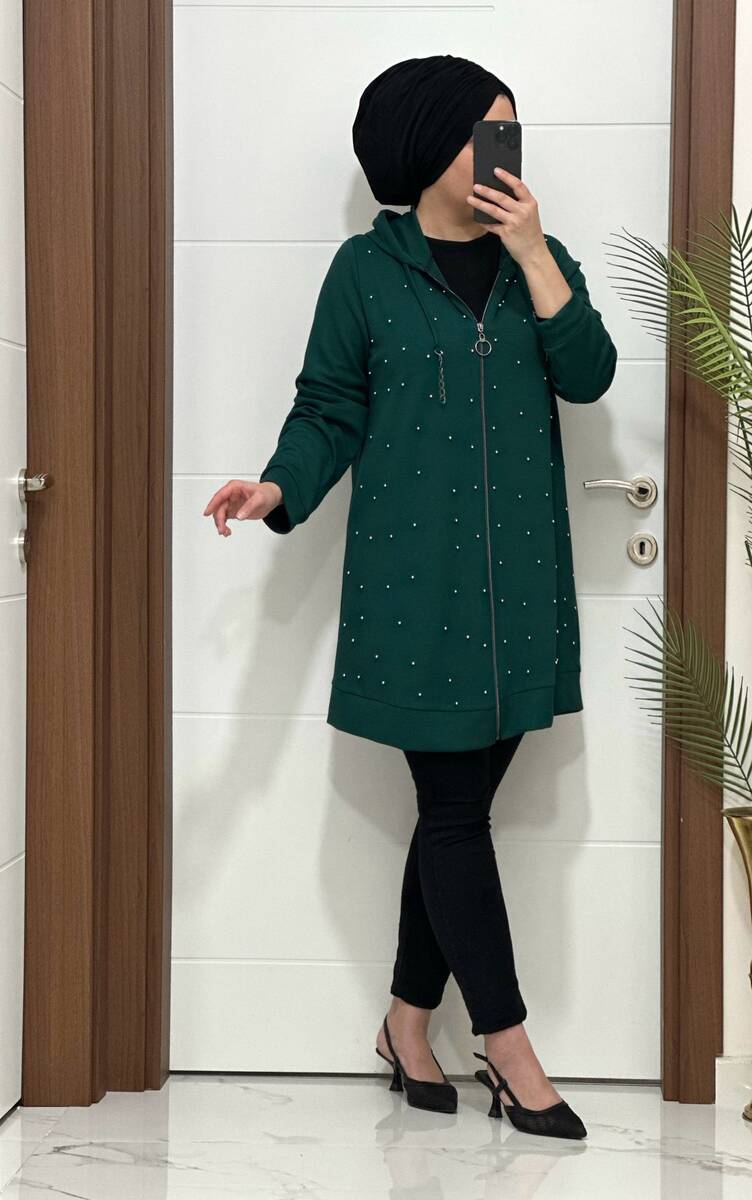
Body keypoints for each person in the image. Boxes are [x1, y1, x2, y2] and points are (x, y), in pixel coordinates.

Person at [203, 54, 617, 1140]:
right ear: (427, 145)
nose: (502, 153)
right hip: (413, 587)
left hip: (519, 588)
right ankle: (510, 1050)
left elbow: (588, 375)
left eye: (510, 132)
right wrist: (278, 486)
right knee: (454, 814)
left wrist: (535, 253)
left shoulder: (540, 259)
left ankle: (403, 1023)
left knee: (453, 817)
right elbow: (328, 405)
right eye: (485, 131)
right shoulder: (365, 270)